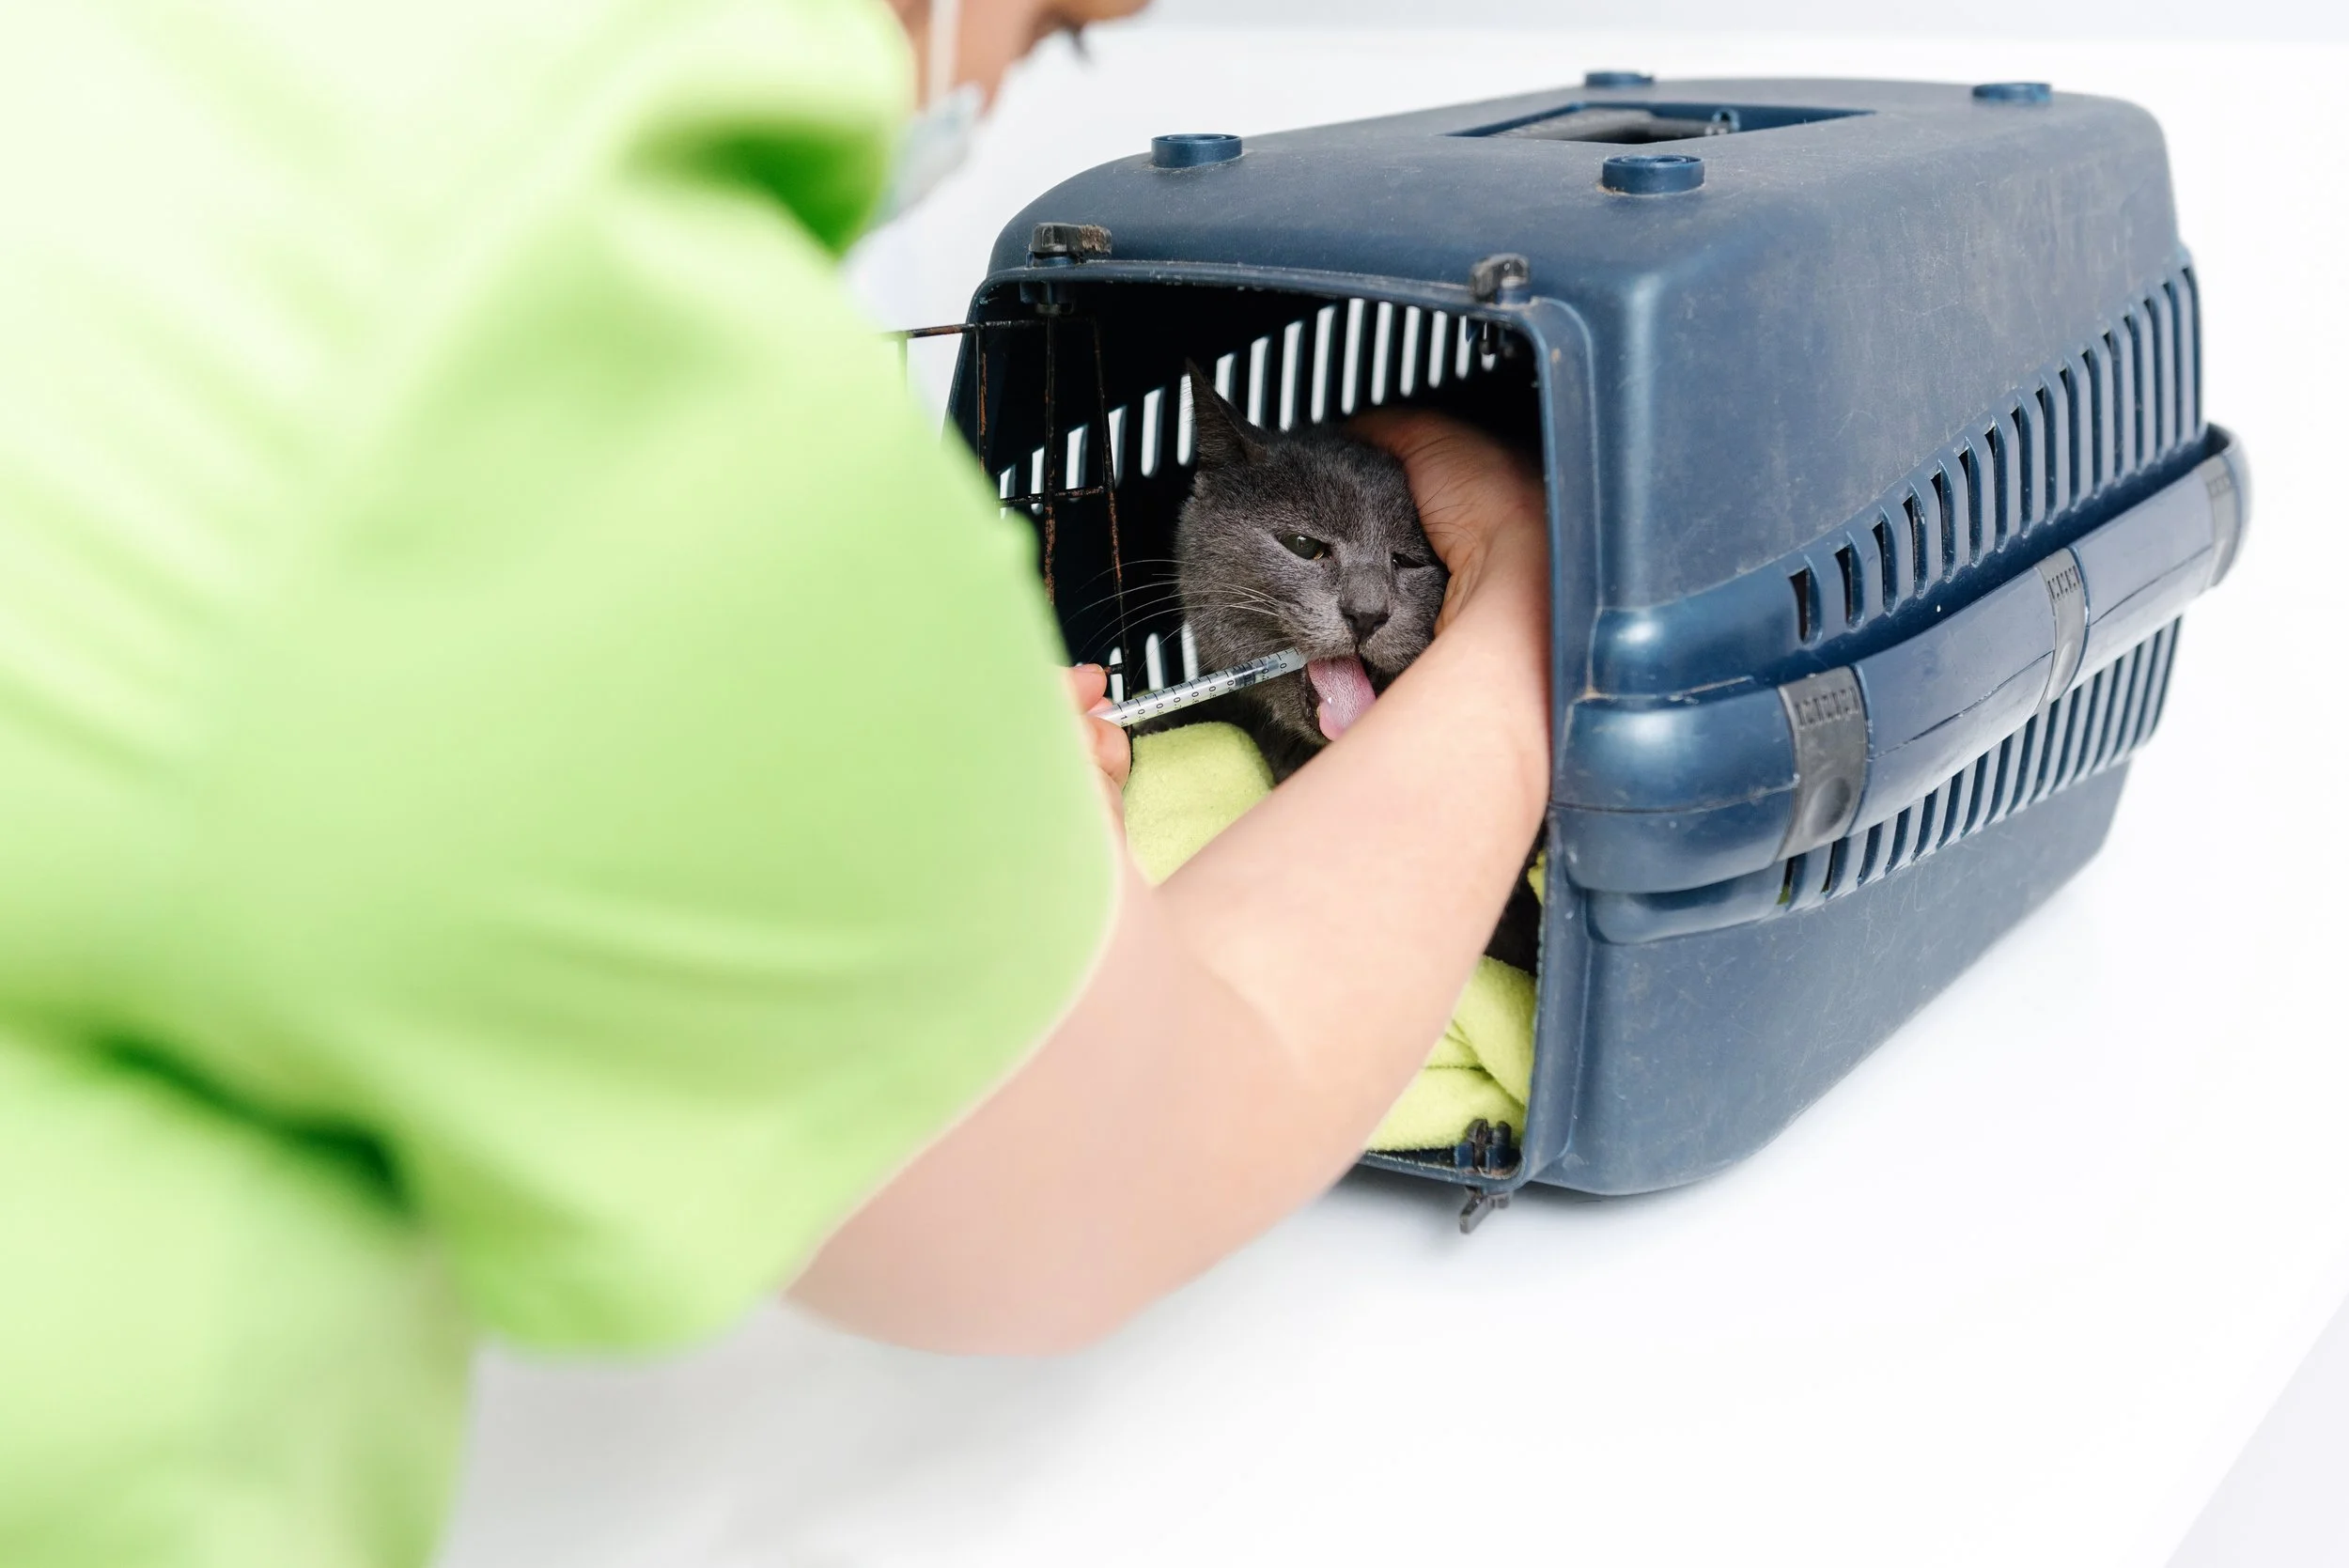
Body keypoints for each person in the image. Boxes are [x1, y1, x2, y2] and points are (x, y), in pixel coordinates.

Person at [0, 1, 1551, 1563]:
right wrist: (1518, 615)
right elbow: (1084, 1177)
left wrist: (933, 815)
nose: (996, 87)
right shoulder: (592, 368)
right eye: (1062, 30)